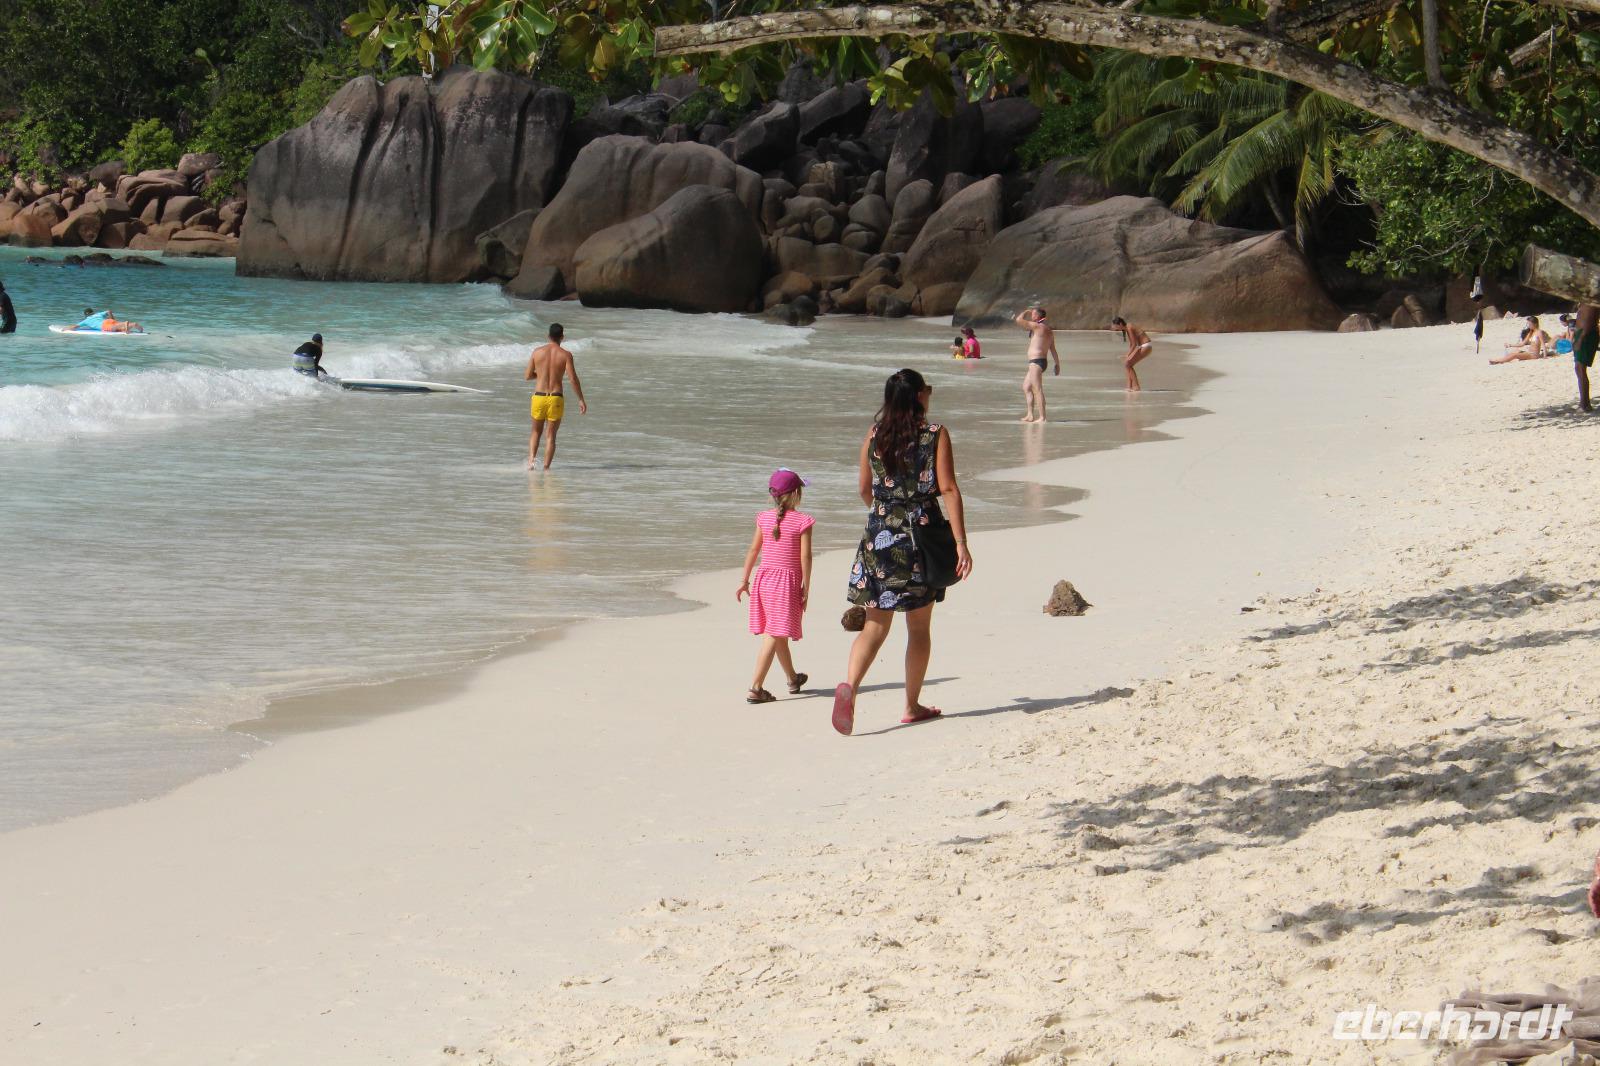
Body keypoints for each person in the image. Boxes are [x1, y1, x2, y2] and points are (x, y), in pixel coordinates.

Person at [832, 368, 973, 736]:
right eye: (927, 390)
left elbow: (864, 487)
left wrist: (884, 513)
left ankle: (850, 685)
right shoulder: (934, 435)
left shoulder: (874, 435)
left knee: (875, 625)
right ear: (918, 398)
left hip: (879, 534)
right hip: (919, 539)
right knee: (919, 627)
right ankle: (911, 705)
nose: (930, 394)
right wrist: (961, 542)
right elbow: (950, 490)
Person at [736, 468, 814, 703]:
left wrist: (744, 580)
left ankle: (792, 678)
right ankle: (756, 687)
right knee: (774, 632)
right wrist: (806, 588)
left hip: (764, 580)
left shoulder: (764, 517)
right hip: (785, 584)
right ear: (796, 494)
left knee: (778, 632)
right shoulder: (803, 521)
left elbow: (753, 550)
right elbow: (806, 558)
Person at [523, 322, 587, 469]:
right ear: (562, 337)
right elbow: (572, 378)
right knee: (550, 435)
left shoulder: (537, 352)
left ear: (548, 336)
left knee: (535, 432)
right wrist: (581, 399)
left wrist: (541, 375)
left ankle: (531, 462)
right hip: (556, 397)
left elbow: (527, 376)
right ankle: (546, 469)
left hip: (539, 396)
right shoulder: (565, 355)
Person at [1013, 307, 1059, 422]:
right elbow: (1053, 349)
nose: (1031, 315)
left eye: (1033, 314)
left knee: (1037, 389)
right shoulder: (1048, 330)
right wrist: (1057, 364)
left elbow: (1018, 320)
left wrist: (1025, 311)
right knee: (1026, 387)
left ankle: (1042, 417)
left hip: (1036, 362)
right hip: (1041, 362)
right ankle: (1030, 415)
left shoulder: (1037, 326)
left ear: (1038, 316)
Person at [1112, 316, 1153, 391]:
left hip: (1145, 346)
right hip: (1143, 346)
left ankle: (1136, 386)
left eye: (1116, 326)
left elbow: (1134, 344)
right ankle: (1129, 386)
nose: (1115, 328)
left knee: (1128, 364)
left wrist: (1128, 355)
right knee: (1127, 364)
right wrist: (1127, 355)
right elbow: (1132, 344)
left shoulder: (1129, 327)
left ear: (1120, 324)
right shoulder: (1127, 328)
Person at [1574, 305, 1598, 411]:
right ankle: (1584, 402)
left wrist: (1580, 339)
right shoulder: (1585, 300)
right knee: (1579, 369)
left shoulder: (1590, 302)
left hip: (1586, 335)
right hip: (1582, 334)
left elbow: (1589, 321)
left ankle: (1585, 404)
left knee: (1580, 368)